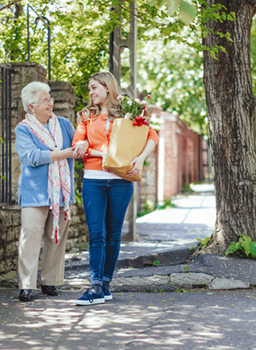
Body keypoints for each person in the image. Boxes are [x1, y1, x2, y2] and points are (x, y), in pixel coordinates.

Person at [72, 72, 159, 305]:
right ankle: (95, 286)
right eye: (89, 89)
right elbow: (77, 146)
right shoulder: (86, 116)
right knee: (96, 235)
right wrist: (94, 149)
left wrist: (140, 159)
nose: (90, 92)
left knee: (113, 235)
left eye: (94, 87)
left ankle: (106, 284)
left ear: (107, 88)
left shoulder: (127, 111)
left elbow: (152, 135)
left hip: (121, 181)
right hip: (93, 180)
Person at [15, 81, 81, 302]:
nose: (50, 104)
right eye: (45, 100)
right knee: (30, 238)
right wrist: (61, 154)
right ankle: (26, 285)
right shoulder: (24, 129)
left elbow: (79, 143)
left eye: (50, 99)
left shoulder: (63, 124)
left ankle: (50, 281)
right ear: (31, 106)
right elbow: (31, 157)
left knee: (56, 239)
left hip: (60, 193)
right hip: (34, 194)